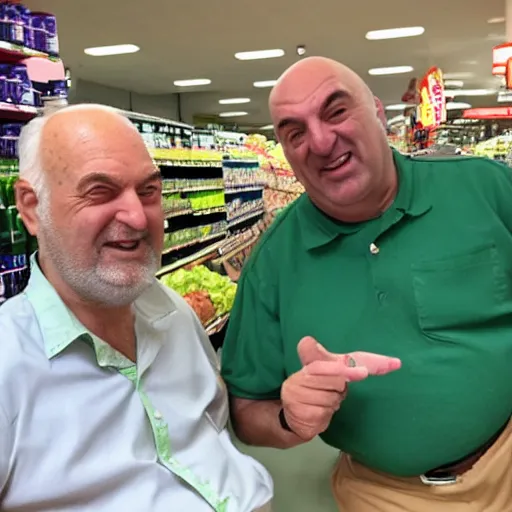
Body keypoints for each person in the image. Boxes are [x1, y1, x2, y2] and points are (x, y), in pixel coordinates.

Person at [220, 56, 512, 511]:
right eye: (294, 132)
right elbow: (245, 410)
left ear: (377, 113)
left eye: (336, 111)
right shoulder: (273, 262)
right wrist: (290, 416)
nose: (320, 141)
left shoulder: (486, 189)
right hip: (382, 493)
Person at [0, 104, 273, 512]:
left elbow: (213, 430)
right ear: (31, 208)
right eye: (99, 192)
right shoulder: (9, 364)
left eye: (148, 191)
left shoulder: (174, 313)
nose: (138, 217)